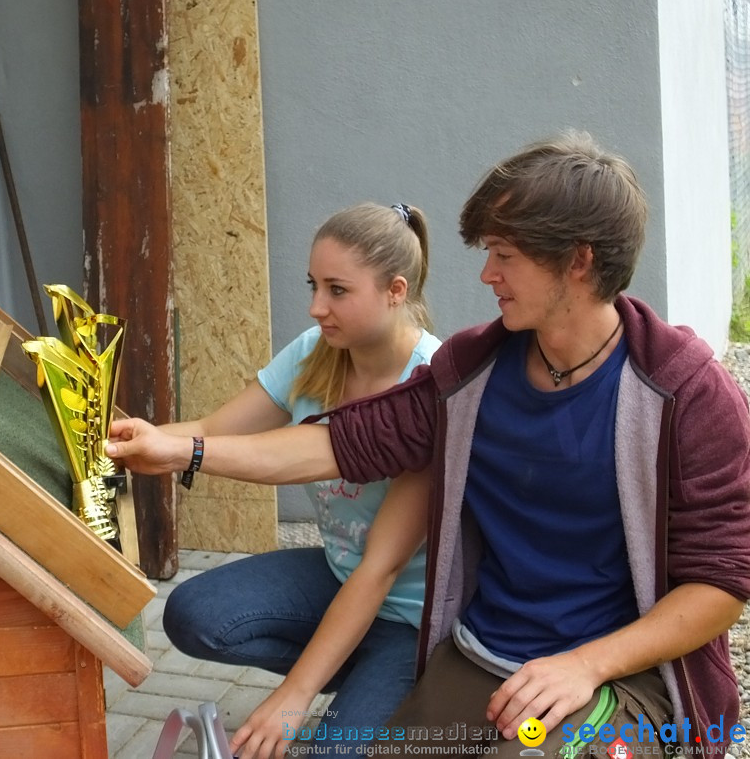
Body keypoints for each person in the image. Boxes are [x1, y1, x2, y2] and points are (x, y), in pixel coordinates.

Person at [108, 132, 750, 758]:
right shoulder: (474, 368)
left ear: (578, 261)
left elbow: (722, 582)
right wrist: (182, 451)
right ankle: (369, 676)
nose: (486, 273)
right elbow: (342, 444)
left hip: (615, 675)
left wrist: (586, 664)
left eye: (504, 254)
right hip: (481, 655)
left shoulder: (684, 390)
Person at [159, 202, 440, 755]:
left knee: (331, 752)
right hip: (338, 575)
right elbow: (213, 430)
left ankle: (395, 685)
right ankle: (353, 670)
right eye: (313, 285)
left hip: (412, 616)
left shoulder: (431, 387)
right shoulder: (316, 353)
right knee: (192, 616)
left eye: (337, 290)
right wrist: (129, 438)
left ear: (395, 290)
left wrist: (294, 694)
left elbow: (381, 570)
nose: (316, 307)